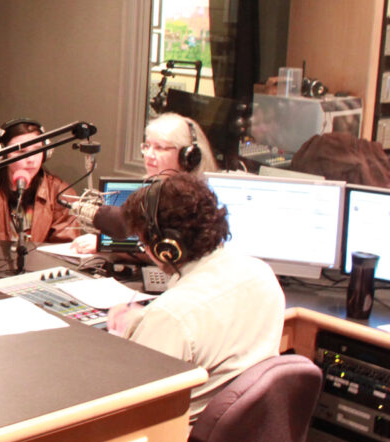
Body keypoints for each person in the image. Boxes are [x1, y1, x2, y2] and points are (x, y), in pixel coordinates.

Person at [106, 173, 284, 422]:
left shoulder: (171, 317)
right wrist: (144, 321)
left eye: (143, 242)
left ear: (166, 247)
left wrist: (127, 337)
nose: (145, 250)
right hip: (244, 437)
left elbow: (129, 408)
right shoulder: (261, 274)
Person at [70, 112, 218, 253]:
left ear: (188, 155)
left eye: (159, 148)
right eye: (147, 146)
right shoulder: (152, 191)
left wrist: (105, 245)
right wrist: (102, 242)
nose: (149, 155)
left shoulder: (200, 201)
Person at [0, 118, 80, 243]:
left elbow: (64, 247)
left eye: (37, 150)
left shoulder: (62, 194)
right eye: (21, 151)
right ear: (2, 155)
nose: (31, 159)